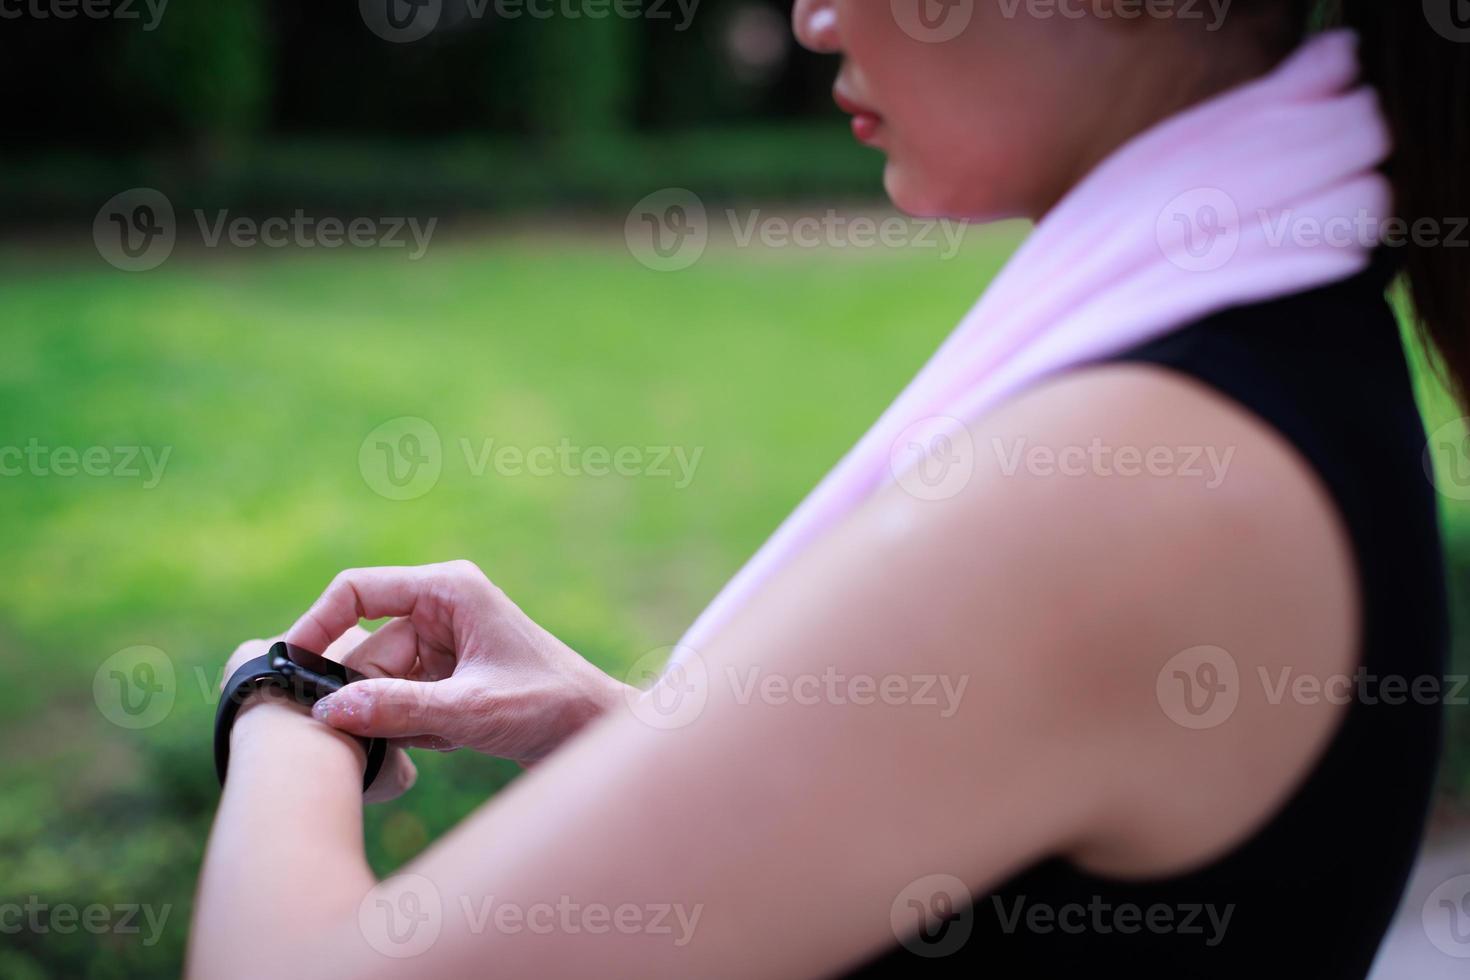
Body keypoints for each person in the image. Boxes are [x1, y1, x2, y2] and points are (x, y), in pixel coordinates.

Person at [189, 2, 1466, 976]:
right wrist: (618, 731)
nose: (809, 17)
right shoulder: (1268, 339)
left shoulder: (1134, 480)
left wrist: (286, 701)